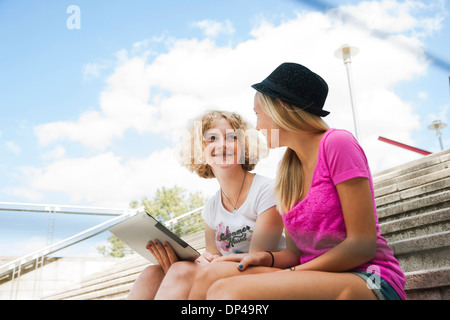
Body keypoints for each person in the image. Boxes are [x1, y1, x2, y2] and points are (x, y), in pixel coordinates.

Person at [188, 62, 406, 300]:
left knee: (226, 292)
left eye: (257, 113)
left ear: (279, 107)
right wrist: (265, 258)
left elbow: (362, 245)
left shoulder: (337, 143)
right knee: (210, 276)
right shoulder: (286, 168)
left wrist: (292, 273)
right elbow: (294, 253)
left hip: (369, 277)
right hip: (313, 275)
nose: (258, 125)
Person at [127, 110, 285, 299]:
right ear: (199, 149)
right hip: (227, 273)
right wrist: (199, 258)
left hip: (268, 273)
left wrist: (206, 264)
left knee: (179, 271)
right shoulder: (210, 209)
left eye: (232, 137)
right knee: (151, 273)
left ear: (244, 145)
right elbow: (212, 255)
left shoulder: (267, 190)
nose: (222, 144)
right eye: (211, 138)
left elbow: (257, 257)